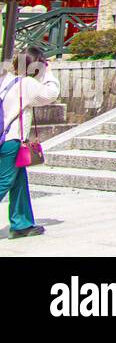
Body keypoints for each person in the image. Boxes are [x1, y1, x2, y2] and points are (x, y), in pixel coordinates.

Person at [1, 46, 60, 239]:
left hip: (5, 139)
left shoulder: (7, 79)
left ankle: (22, 224)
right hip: (11, 141)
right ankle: (21, 223)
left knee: (19, 182)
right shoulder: (26, 84)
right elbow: (50, 94)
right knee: (4, 182)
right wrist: (49, 73)